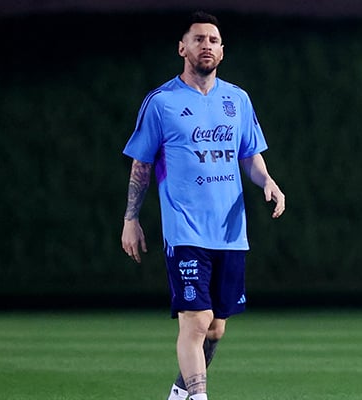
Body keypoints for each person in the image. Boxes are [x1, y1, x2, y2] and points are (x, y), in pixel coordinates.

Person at [120, 11, 285, 400]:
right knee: (194, 324)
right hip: (185, 229)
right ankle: (198, 397)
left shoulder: (237, 100)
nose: (206, 45)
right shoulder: (162, 102)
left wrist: (268, 182)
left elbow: (249, 156)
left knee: (215, 328)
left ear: (222, 51)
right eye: (198, 39)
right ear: (183, 48)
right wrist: (131, 218)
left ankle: (179, 393)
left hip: (230, 232)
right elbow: (142, 163)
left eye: (212, 40)